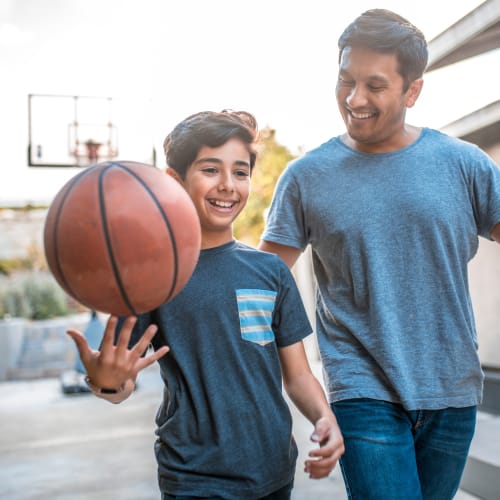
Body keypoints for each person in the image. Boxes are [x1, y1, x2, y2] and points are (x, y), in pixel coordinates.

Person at [259, 9, 500, 500]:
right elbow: (263, 283)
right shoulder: (306, 178)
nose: (354, 99)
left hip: (451, 388)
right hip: (360, 388)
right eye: (345, 81)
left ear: (413, 91)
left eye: (374, 85)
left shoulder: (465, 165)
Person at [67, 110, 344, 499]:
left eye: (241, 172)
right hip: (194, 477)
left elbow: (297, 375)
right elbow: (122, 380)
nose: (228, 185)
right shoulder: (151, 277)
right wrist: (105, 380)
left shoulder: (270, 272)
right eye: (211, 170)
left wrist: (324, 416)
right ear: (174, 181)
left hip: (274, 472)